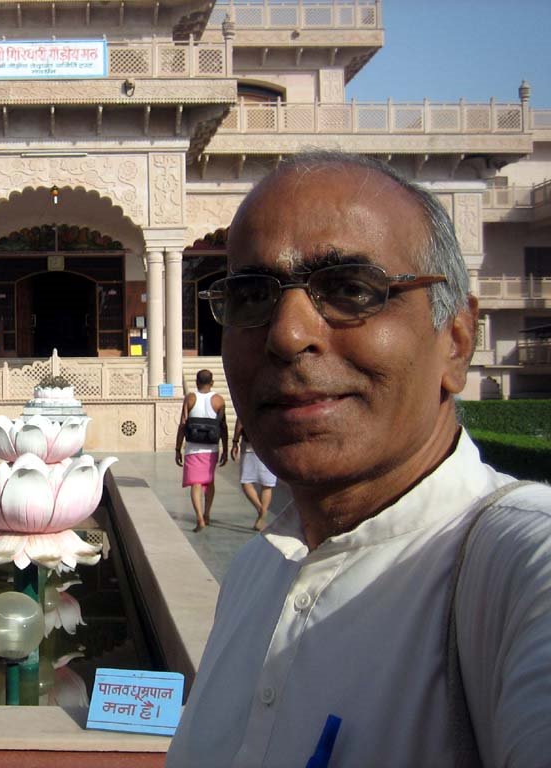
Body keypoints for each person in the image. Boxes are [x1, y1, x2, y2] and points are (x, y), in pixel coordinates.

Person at [167, 152, 551, 766]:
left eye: (351, 289)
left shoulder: (518, 574)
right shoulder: (257, 572)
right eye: (251, 295)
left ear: (456, 341)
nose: (288, 335)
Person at [175, 369, 228, 532]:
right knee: (209, 481)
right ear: (212, 383)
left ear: (196, 382)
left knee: (195, 484)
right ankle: (207, 513)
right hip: (211, 449)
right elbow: (223, 426)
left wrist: (178, 448)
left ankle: (199, 517)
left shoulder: (190, 398)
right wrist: (226, 448)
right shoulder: (219, 400)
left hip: (193, 449)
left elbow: (183, 424)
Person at [230, 418, 276, 531]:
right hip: (269, 443)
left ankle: (261, 511)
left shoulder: (248, 402)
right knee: (267, 484)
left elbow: (240, 421)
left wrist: (235, 441)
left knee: (246, 481)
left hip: (250, 444)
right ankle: (263, 513)